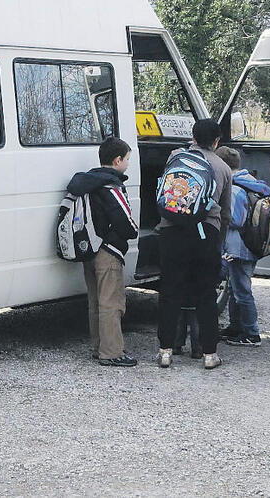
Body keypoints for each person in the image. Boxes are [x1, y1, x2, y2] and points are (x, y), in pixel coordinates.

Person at [156, 119, 232, 370]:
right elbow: (226, 213)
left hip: (171, 230)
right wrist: (218, 243)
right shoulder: (222, 167)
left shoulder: (175, 156)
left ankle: (165, 351)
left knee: (169, 292)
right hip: (205, 234)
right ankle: (209, 354)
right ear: (217, 141)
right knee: (205, 295)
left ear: (193, 136)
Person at [65, 137, 139, 367]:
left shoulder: (86, 181)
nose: (128, 163)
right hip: (108, 250)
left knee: (95, 300)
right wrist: (134, 231)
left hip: (89, 248)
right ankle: (112, 352)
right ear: (117, 160)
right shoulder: (112, 185)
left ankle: (98, 346)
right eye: (127, 159)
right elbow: (125, 222)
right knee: (112, 302)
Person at [216, 145, 270, 347]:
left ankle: (251, 332)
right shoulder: (252, 183)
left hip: (238, 247)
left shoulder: (235, 188)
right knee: (234, 288)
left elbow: (235, 220)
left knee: (242, 290)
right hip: (251, 244)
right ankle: (235, 327)